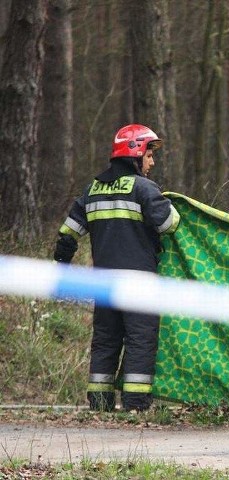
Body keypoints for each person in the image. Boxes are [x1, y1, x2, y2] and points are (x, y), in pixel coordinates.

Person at [53, 124, 181, 412]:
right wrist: (169, 203)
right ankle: (135, 405)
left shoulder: (92, 190)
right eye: (149, 155)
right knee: (140, 340)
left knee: (106, 341)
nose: (152, 162)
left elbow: (67, 234)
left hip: (102, 284)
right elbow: (169, 224)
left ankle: (99, 403)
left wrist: (60, 268)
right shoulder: (144, 188)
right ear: (135, 154)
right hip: (139, 283)